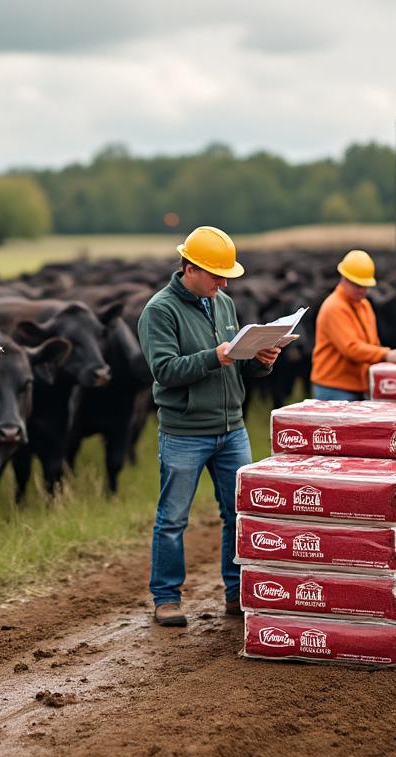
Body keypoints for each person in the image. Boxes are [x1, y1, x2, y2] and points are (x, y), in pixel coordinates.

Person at [138, 225, 279, 627]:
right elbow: (165, 371)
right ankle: (166, 598)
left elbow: (237, 365)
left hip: (232, 428)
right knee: (173, 519)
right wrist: (214, 357)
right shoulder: (159, 311)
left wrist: (261, 362)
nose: (223, 283)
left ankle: (237, 594)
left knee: (238, 514)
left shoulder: (224, 303)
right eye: (217, 275)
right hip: (184, 432)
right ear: (190, 268)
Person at [311, 249, 396, 400]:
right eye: (357, 285)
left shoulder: (364, 305)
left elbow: (373, 342)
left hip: (357, 386)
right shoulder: (334, 307)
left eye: (365, 285)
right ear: (344, 278)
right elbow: (351, 348)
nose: (363, 290)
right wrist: (386, 355)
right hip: (334, 388)